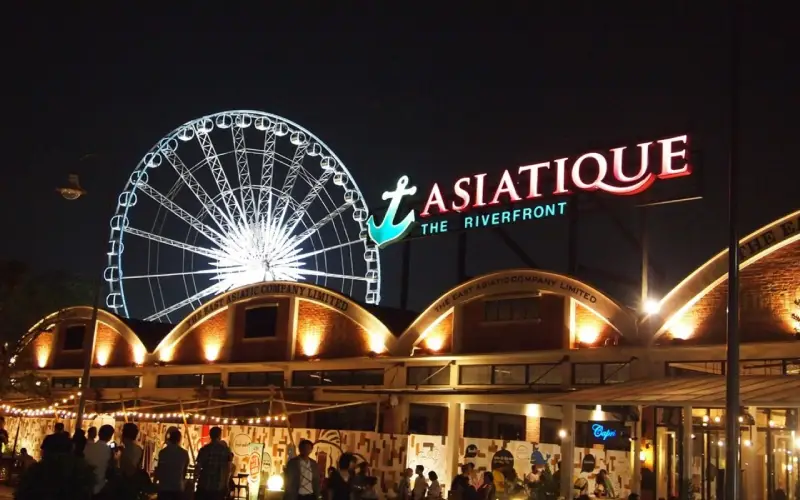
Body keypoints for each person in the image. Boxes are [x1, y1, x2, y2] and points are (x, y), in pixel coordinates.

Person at [195, 426, 233, 500]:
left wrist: (194, 480)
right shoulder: (225, 450)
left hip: (204, 484)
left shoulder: (204, 449)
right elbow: (228, 468)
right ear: (219, 435)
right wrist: (226, 483)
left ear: (210, 435)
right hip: (219, 485)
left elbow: (198, 466)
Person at [155, 429, 190, 500]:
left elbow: (159, 469)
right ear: (180, 439)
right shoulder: (184, 453)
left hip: (164, 486)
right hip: (177, 486)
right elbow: (184, 471)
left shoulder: (163, 452)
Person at [84, 424, 115, 498]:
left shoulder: (88, 447)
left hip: (87, 485)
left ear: (99, 434)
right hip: (100, 486)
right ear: (110, 437)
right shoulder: (108, 450)